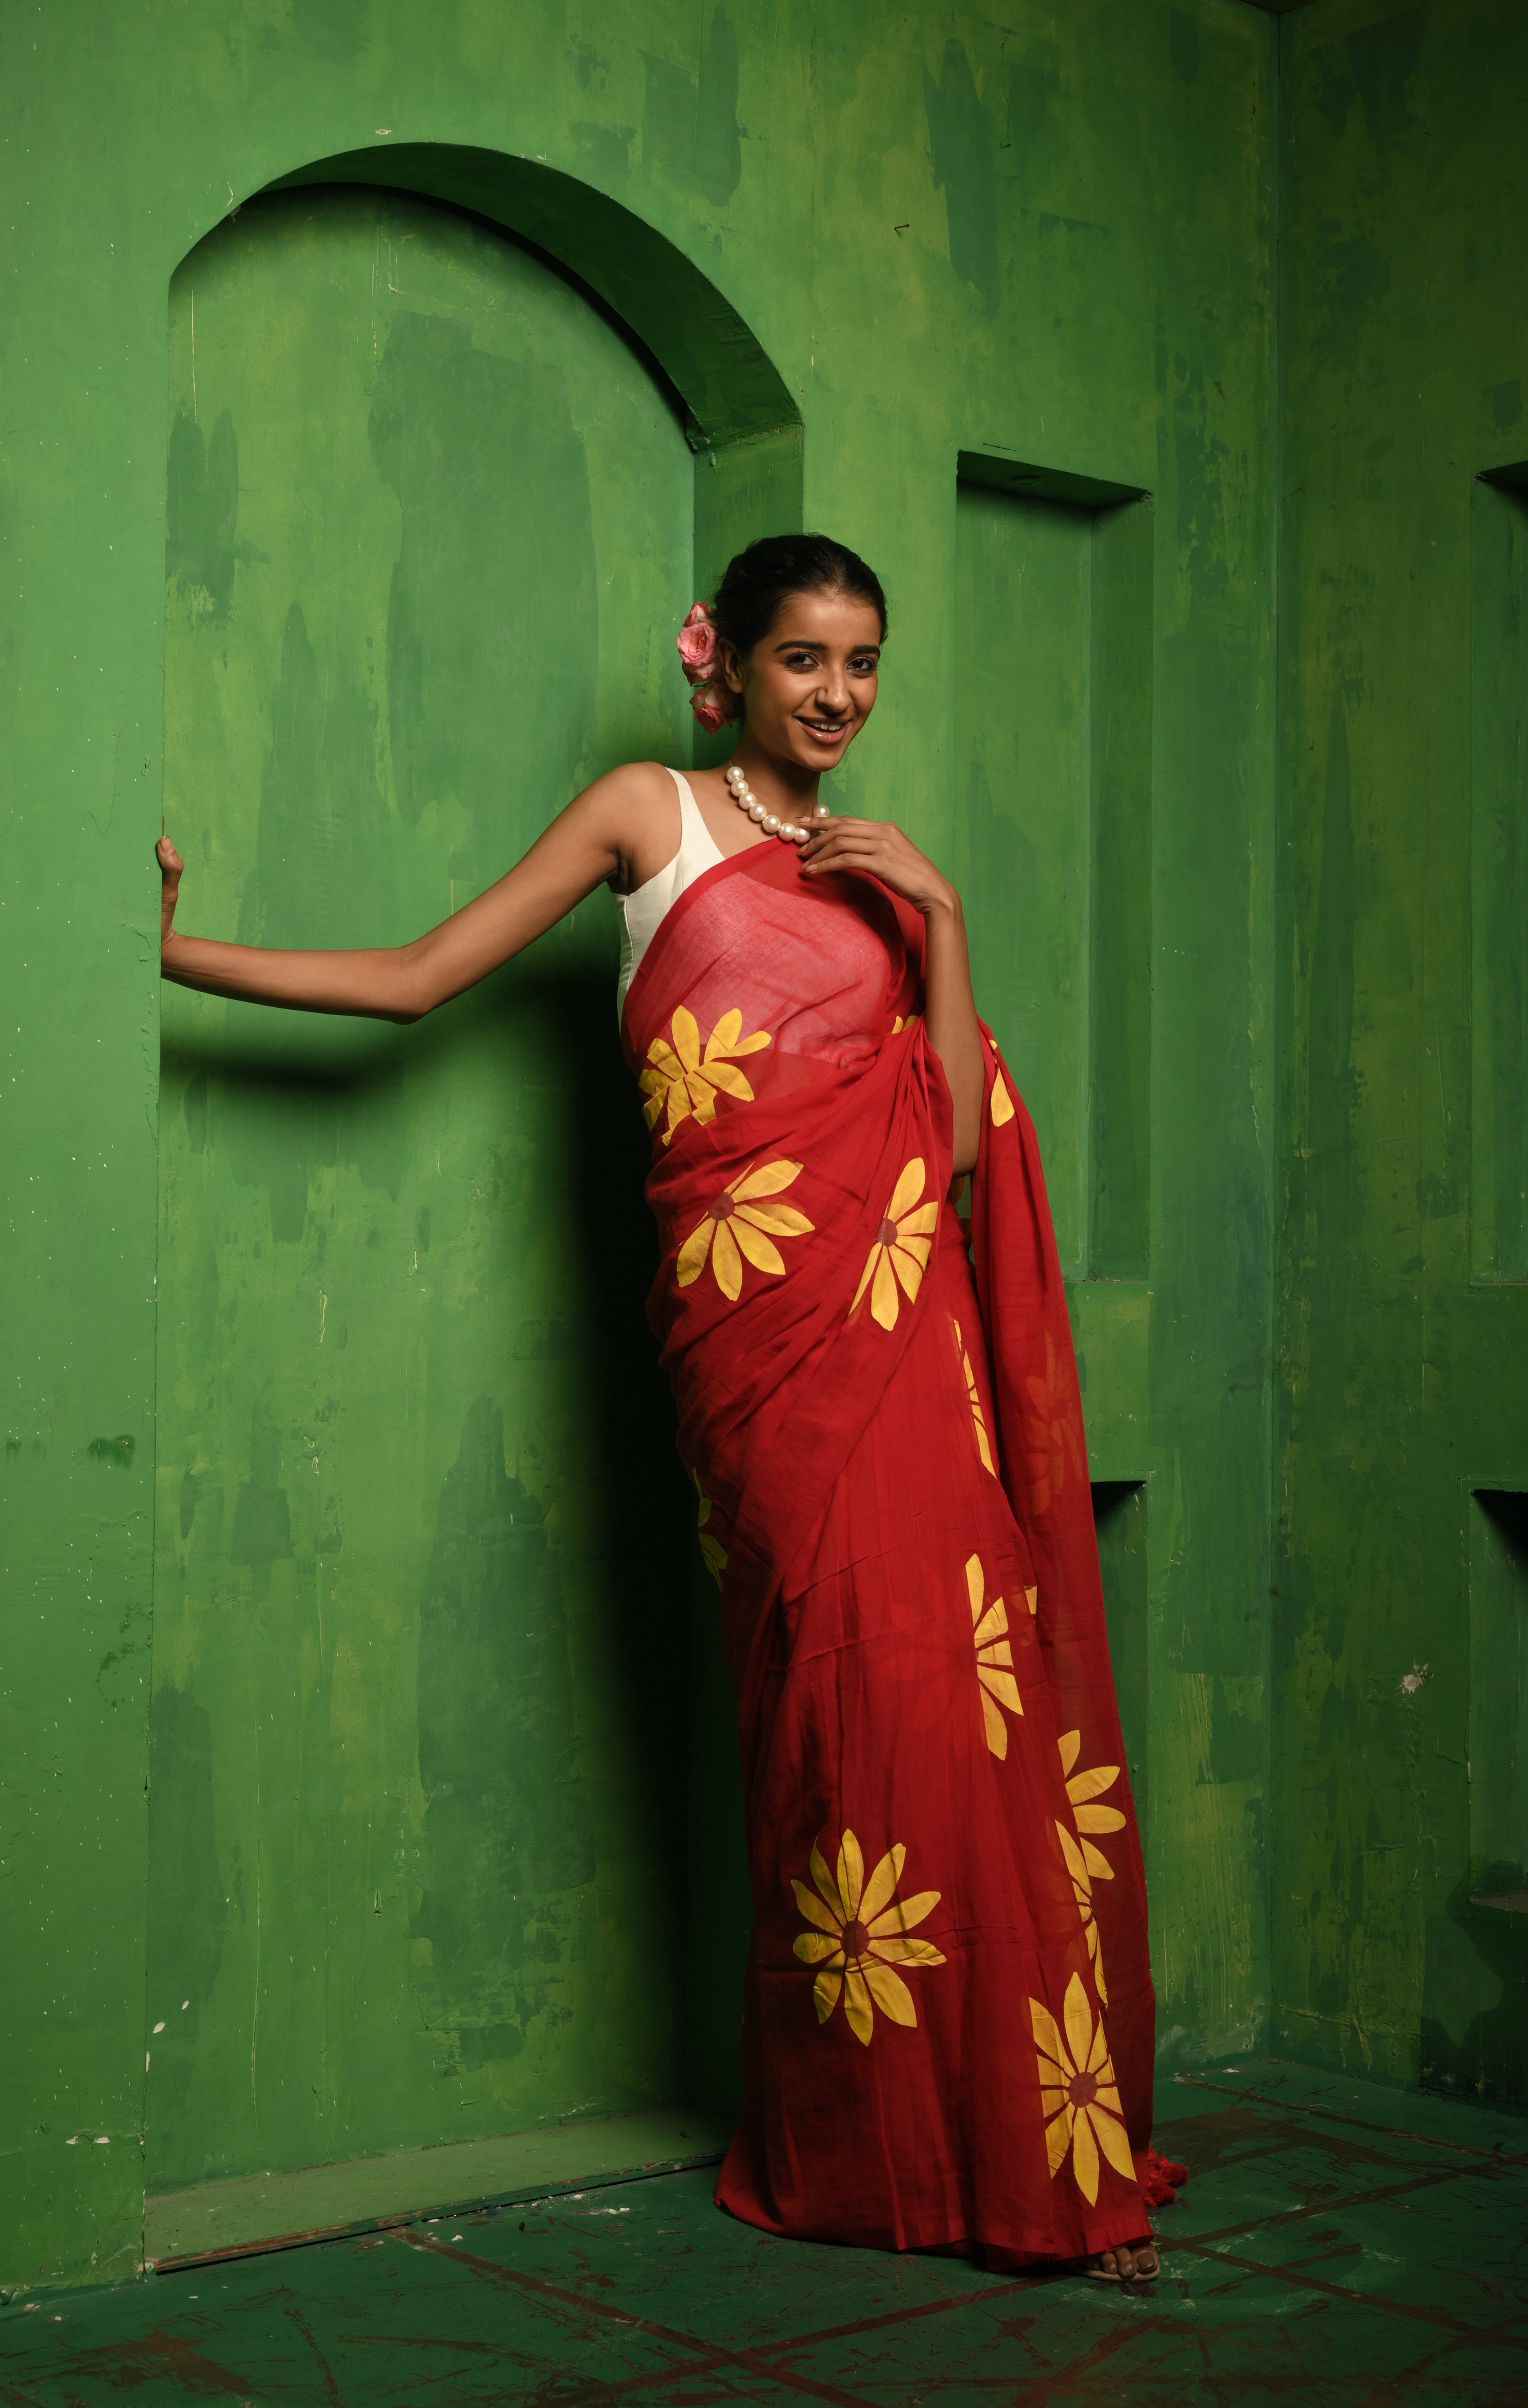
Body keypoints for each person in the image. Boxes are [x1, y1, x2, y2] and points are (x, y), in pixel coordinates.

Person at [157, 532, 1170, 2280]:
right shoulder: (649, 811)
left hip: (896, 1354)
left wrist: (942, 915)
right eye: (803, 661)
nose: (836, 696)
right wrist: (173, 959)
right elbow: (418, 977)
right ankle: (859, 2151)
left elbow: (939, 1149)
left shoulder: (871, 873)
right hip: (758, 1358)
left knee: (948, 1724)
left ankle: (1004, 2146)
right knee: (826, 1743)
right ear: (728, 661)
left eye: (861, 663)